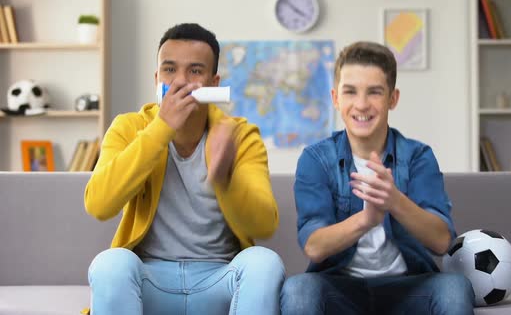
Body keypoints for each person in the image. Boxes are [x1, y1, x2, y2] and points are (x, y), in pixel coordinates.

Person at [84, 23, 284, 315]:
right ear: (156, 79)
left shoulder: (240, 135)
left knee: (264, 261)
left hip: (218, 278)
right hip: (151, 280)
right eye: (169, 70)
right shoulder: (128, 127)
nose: (180, 82)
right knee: (109, 263)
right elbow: (99, 204)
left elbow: (263, 225)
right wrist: (160, 129)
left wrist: (224, 177)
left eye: (194, 71)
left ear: (214, 83)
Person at [281, 41, 475, 315]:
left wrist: (394, 201)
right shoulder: (316, 160)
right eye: (350, 92)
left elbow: (441, 241)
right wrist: (367, 219)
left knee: (454, 287)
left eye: (374, 92)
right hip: (340, 289)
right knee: (298, 289)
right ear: (336, 98)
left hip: (409, 287)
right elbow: (314, 246)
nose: (361, 104)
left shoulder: (418, 157)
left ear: (392, 99)